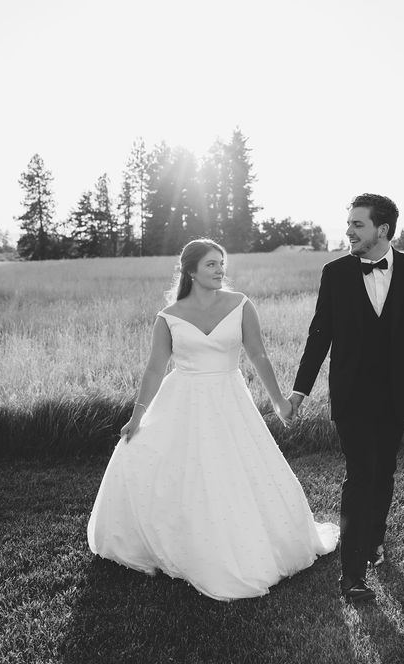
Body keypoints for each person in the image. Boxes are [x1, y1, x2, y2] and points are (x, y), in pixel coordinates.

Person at [87, 239, 339, 601]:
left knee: (233, 471)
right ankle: (176, 543)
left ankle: (244, 545)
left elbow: (259, 356)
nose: (221, 269)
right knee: (173, 468)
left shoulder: (240, 305)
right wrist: (136, 417)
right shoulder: (169, 316)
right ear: (191, 271)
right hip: (182, 400)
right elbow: (155, 369)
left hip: (228, 400)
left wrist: (280, 401)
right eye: (211, 264)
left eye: (222, 263)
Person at [290, 193, 404, 603]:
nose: (349, 231)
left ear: (383, 230)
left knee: (385, 471)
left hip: (398, 395)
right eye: (349, 224)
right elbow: (319, 335)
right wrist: (300, 390)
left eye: (358, 224)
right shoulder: (335, 273)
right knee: (361, 475)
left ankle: (375, 539)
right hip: (352, 394)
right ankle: (352, 573)